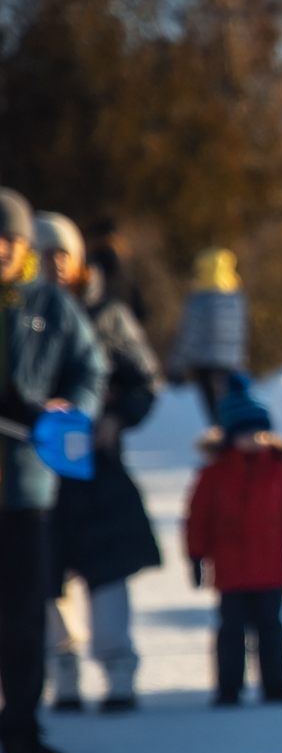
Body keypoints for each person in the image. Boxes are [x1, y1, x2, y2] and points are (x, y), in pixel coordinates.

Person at [35, 213, 162, 712]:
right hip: (37, 469)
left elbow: (144, 379)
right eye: (43, 254)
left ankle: (118, 672)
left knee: (109, 574)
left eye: (62, 253)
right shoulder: (18, 315)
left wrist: (117, 418)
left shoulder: (106, 314)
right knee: (44, 579)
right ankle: (60, 673)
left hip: (97, 468)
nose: (55, 264)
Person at [0, 188, 104, 753]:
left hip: (26, 486)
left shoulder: (51, 304)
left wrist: (74, 406)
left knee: (23, 614)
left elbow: (91, 367)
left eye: (7, 243)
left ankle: (21, 726)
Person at [183, 375, 282, 706]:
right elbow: (197, 518)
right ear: (228, 435)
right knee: (231, 631)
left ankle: (276, 685)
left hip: (270, 568)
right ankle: (228, 687)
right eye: (244, 433)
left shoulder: (280, 471)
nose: (253, 439)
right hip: (231, 570)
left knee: (271, 629)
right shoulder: (213, 475)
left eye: (258, 432)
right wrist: (196, 556)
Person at [168, 246, 247, 423]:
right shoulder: (236, 299)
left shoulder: (199, 299)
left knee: (216, 417)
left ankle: (221, 448)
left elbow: (189, 335)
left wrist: (177, 366)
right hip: (231, 363)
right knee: (230, 412)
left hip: (206, 365)